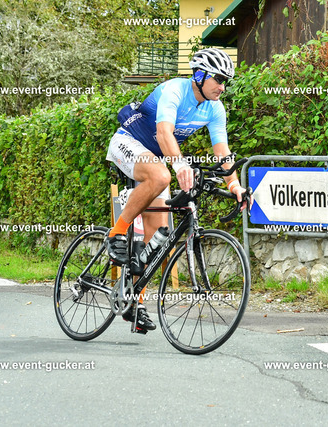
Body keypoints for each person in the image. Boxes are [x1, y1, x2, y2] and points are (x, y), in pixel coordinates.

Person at [105, 48, 249, 332]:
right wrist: (180, 164)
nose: (222, 87)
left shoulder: (215, 108)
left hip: (154, 158)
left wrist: (234, 184)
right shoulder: (174, 90)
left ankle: (135, 303)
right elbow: (163, 132)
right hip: (128, 142)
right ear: (200, 75)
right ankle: (117, 232)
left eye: (225, 81)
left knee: (157, 238)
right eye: (218, 79)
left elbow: (222, 150)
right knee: (162, 176)